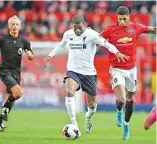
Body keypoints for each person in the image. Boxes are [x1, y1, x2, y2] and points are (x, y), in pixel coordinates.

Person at [44, 15, 129, 137]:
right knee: (69, 91)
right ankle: (75, 125)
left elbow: (107, 44)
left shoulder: (92, 35)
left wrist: (117, 52)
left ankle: (88, 119)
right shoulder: (68, 34)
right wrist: (50, 56)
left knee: (92, 105)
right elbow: (61, 45)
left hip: (89, 73)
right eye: (75, 28)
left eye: (79, 28)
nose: (77, 31)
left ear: (84, 24)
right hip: (73, 71)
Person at [101, 6, 156, 140]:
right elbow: (97, 39)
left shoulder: (135, 27)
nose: (123, 22)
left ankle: (126, 124)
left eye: (125, 19)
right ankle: (119, 111)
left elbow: (151, 29)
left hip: (131, 70)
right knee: (122, 99)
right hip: (116, 69)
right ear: (117, 18)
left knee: (130, 100)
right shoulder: (110, 30)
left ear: (129, 17)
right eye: (120, 19)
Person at [0, 15, 34, 132]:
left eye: (16, 24)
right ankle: (4, 107)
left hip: (17, 72)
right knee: (18, 93)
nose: (14, 26)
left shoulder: (24, 41)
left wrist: (30, 55)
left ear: (20, 26)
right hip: (4, 71)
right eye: (12, 24)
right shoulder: (2, 40)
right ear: (8, 26)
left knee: (13, 99)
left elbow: (29, 51)